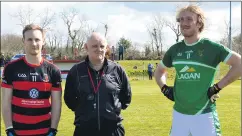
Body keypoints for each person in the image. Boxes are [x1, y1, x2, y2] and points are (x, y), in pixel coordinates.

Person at [154, 5, 241, 136]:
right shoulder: (174, 50)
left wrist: (217, 87)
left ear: (199, 22)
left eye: (189, 19)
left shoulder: (211, 48)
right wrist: (164, 88)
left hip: (204, 115)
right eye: (181, 19)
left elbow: (239, 64)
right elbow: (159, 71)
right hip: (179, 115)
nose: (184, 23)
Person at [64, 32, 132, 136]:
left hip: (113, 130)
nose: (99, 49)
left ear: (106, 48)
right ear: (86, 47)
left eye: (102, 46)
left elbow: (126, 98)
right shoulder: (76, 71)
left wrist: (112, 111)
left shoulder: (117, 70)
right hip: (84, 131)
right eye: (94, 46)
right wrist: (84, 113)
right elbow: (69, 99)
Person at [1, 24, 62, 136]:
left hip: (45, 131)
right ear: (23, 41)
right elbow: (5, 101)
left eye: (37, 39)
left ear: (43, 41)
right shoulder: (10, 68)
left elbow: (57, 103)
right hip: (17, 132)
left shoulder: (53, 71)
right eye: (29, 39)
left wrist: (53, 129)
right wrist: (9, 128)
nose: (34, 43)